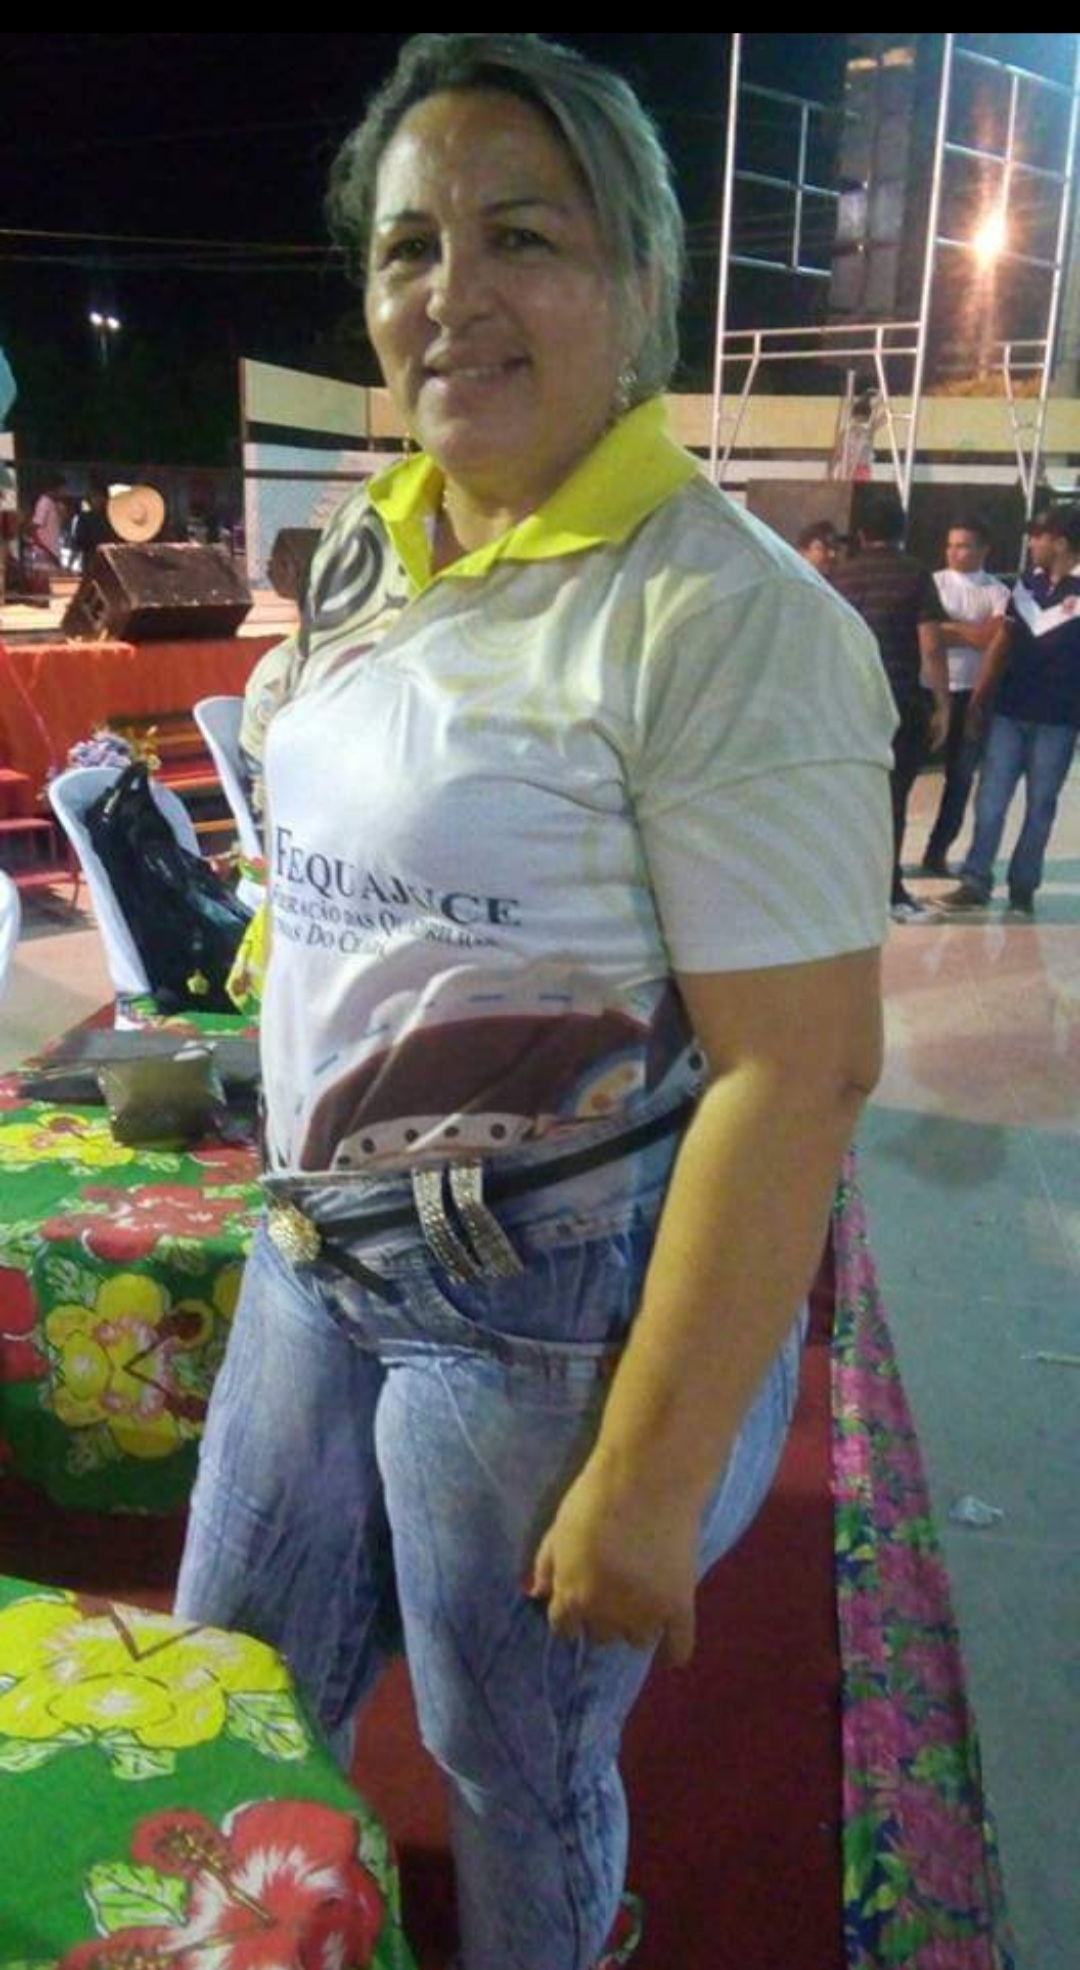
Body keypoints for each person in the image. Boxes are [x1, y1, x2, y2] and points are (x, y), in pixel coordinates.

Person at [176, 35, 895, 1970]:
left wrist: (651, 1478)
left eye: (523, 236)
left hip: (537, 1316)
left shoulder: (725, 618)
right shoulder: (375, 539)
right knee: (232, 1693)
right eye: (410, 246)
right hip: (310, 1249)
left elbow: (801, 1071)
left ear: (639, 285)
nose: (452, 293)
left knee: (510, 1770)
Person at [941, 503, 1080, 917]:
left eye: (1038, 537)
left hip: (1058, 719)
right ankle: (975, 879)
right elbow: (1003, 641)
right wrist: (980, 696)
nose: (1032, 543)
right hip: (1009, 711)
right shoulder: (1027, 584)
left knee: (1040, 806)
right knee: (990, 799)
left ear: (1060, 541)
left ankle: (1022, 888)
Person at [831, 489, 949, 921]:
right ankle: (890, 891)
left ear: (861, 534)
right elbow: (931, 645)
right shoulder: (916, 576)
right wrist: (942, 704)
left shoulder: (840, 577)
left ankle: (846, 887)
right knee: (894, 799)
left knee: (850, 798)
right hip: (900, 700)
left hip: (849, 702)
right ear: (902, 531)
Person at [920, 517, 1010, 876]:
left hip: (971, 694)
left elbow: (995, 638)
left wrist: (945, 629)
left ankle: (937, 851)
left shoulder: (997, 592)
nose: (954, 552)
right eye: (950, 545)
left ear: (983, 549)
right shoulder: (932, 584)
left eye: (963, 545)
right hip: (928, 689)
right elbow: (923, 634)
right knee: (908, 772)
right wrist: (972, 632)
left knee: (959, 779)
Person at [71, 471, 118, 568]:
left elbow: (79, 542)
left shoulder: (85, 518)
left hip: (94, 563)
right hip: (110, 564)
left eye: (94, 497)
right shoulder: (116, 518)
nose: (92, 501)